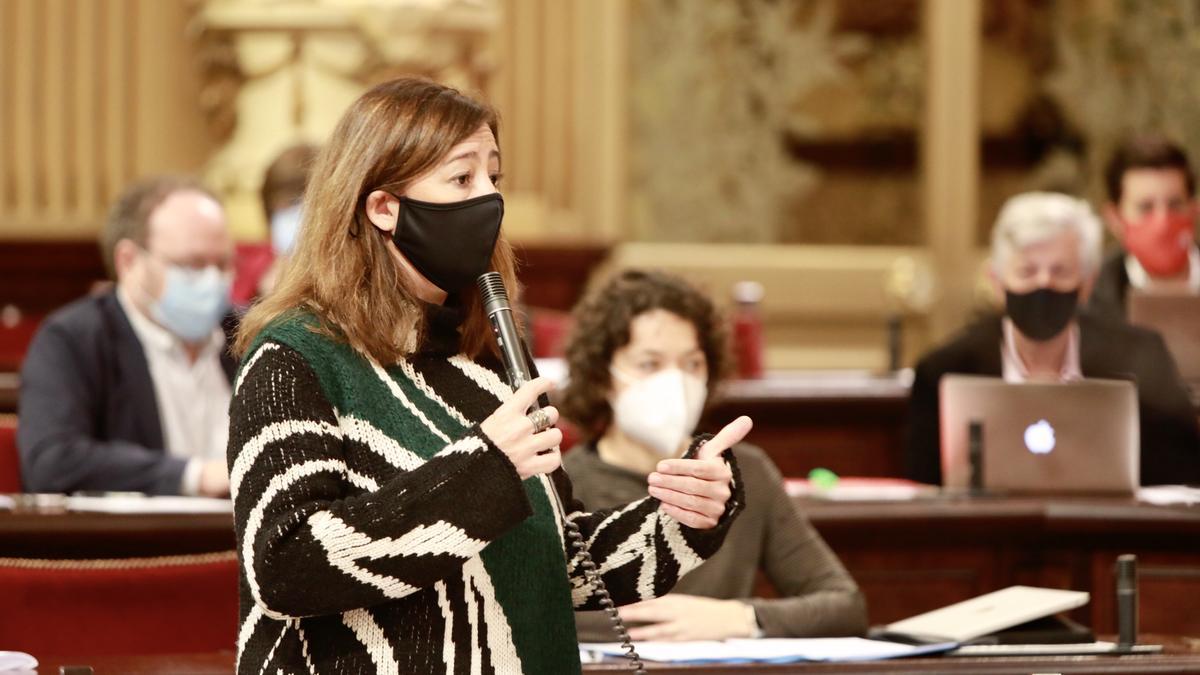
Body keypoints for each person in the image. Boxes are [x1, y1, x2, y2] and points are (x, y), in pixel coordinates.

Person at [227, 78, 748, 674]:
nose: (489, 200)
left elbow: (557, 564)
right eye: (462, 178)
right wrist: (483, 472)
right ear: (383, 207)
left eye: (493, 179)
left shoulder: (482, 361)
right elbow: (285, 567)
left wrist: (683, 518)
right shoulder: (294, 357)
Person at [560, 270, 867, 641]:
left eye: (692, 364)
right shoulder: (561, 483)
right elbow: (532, 617)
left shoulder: (745, 472)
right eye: (649, 364)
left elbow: (844, 606)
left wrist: (738, 618)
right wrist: (643, 623)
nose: (675, 383)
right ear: (601, 375)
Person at [905, 192, 1200, 486]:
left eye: (1060, 272)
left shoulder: (1141, 360)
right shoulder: (945, 371)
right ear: (997, 282)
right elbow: (923, 492)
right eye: (1027, 271)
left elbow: (1180, 476)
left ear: (1087, 283)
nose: (1044, 283)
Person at [18, 176, 235, 496]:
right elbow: (52, 462)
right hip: (143, 543)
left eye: (223, 264)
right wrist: (197, 476)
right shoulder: (73, 339)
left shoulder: (249, 333)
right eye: (192, 264)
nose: (212, 281)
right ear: (129, 261)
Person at [1089, 135, 1199, 321]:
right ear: (1114, 219)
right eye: (1145, 208)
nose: (1163, 222)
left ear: (1194, 210)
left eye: (1174, 205)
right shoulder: (1093, 300)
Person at [230, 143, 320, 307]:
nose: (296, 214)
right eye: (286, 205)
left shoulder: (340, 274)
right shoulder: (242, 267)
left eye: (300, 203)